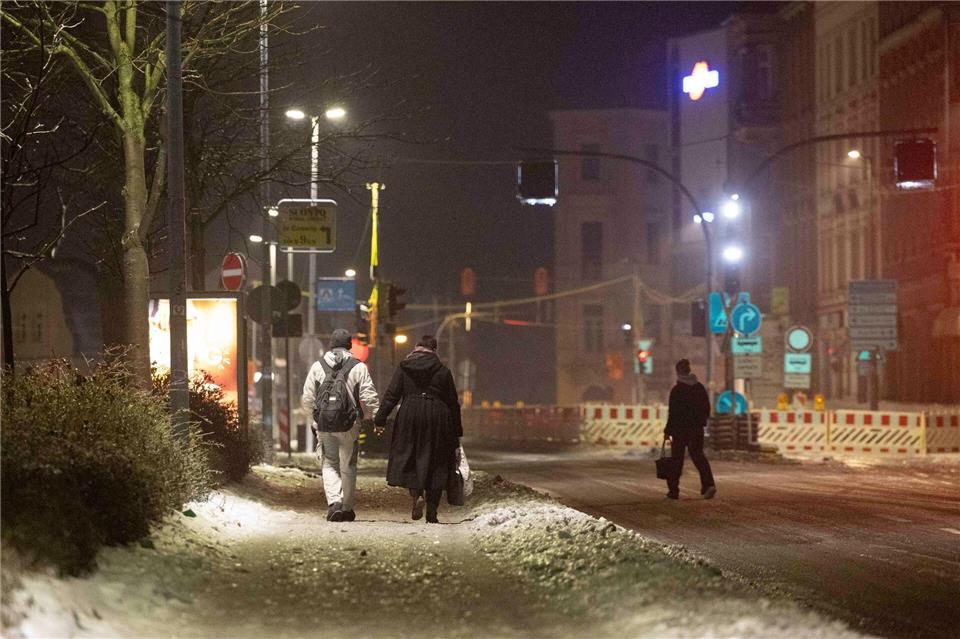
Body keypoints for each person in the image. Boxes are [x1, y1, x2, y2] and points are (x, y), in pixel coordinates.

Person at [373, 335, 462, 524]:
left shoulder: (405, 367)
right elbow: (453, 403)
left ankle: (416, 495)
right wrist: (456, 432)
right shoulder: (443, 371)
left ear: (416, 348)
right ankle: (432, 512)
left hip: (410, 414)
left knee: (411, 456)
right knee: (437, 461)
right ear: (434, 350)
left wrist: (380, 418)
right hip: (438, 415)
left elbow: (392, 395)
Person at [301, 328, 379, 522]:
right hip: (350, 425)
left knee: (329, 463)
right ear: (349, 346)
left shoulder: (317, 367)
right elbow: (369, 396)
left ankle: (334, 502)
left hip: (325, 425)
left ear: (331, 346)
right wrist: (373, 418)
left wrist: (314, 419)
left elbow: (308, 397)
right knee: (349, 465)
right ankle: (347, 507)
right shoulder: (358, 367)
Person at [664, 358, 716, 500]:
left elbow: (673, 413)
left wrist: (667, 430)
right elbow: (706, 408)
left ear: (678, 371)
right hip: (696, 429)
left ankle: (673, 490)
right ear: (689, 370)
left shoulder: (677, 390)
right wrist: (701, 421)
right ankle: (709, 484)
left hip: (680, 430)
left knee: (676, 460)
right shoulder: (699, 388)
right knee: (698, 456)